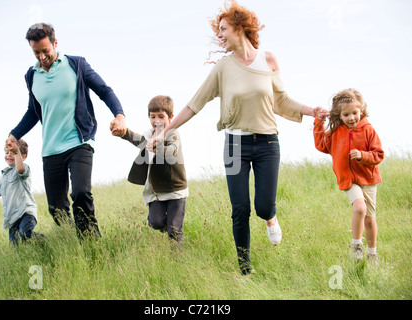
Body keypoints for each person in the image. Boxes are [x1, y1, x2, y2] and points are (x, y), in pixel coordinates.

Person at [148, 1, 323, 275]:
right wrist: (165, 131)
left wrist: (312, 111)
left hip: (267, 144)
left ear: (240, 28)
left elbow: (281, 101)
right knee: (240, 208)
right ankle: (245, 268)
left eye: (223, 29)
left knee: (263, 207)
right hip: (234, 146)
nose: (219, 34)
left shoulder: (268, 59)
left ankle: (270, 218)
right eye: (218, 29)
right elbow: (195, 103)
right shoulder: (222, 68)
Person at [5, 23, 126, 238]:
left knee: (80, 193)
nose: (41, 57)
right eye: (36, 52)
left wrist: (119, 115)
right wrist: (14, 134)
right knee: (57, 210)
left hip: (79, 141)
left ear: (55, 43)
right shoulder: (31, 76)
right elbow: (34, 111)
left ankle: (92, 245)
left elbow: (104, 91)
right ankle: (71, 242)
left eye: (45, 51)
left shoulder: (76, 65)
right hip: (51, 149)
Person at [314, 88, 383, 264]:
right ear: (339, 115)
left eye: (355, 113)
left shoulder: (368, 130)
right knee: (360, 207)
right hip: (348, 179)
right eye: (346, 114)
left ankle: (373, 254)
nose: (351, 117)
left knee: (369, 218)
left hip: (368, 178)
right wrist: (318, 123)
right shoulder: (337, 131)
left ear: (361, 110)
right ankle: (356, 246)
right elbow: (322, 146)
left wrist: (363, 155)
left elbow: (378, 155)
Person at [118, 96, 188, 244]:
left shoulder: (173, 134)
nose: (157, 120)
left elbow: (172, 153)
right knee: (155, 222)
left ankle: (177, 258)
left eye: (161, 116)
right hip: (156, 190)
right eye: (153, 116)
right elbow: (139, 140)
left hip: (175, 188)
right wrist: (124, 133)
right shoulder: (149, 134)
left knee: (175, 230)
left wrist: (159, 146)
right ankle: (166, 228)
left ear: (171, 117)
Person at [0, 139, 42, 245]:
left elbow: (21, 170)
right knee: (15, 247)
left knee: (24, 234)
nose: (9, 155)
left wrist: (18, 154)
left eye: (14, 153)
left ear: (23, 157)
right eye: (7, 152)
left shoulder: (23, 169)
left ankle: (46, 241)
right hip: (12, 218)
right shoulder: (3, 176)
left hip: (25, 213)